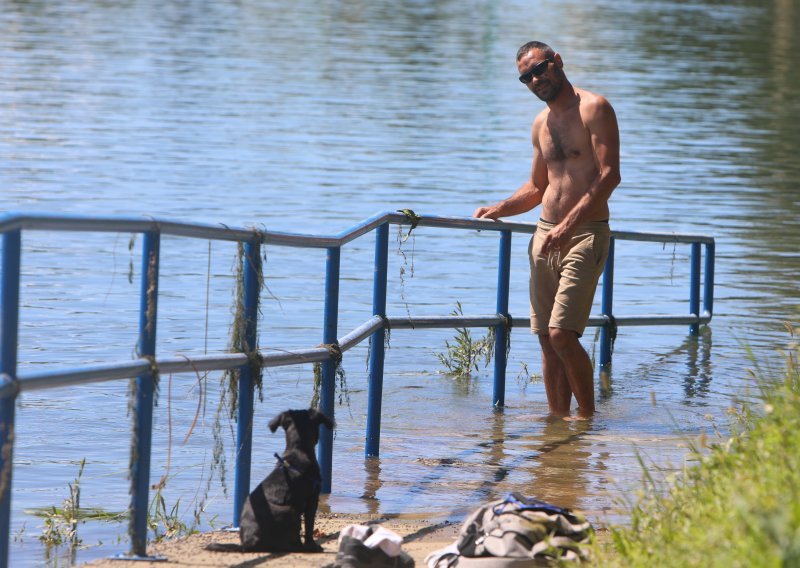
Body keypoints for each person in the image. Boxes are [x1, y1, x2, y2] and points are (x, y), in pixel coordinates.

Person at [473, 41, 621, 420]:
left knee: (561, 335)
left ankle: (586, 422)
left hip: (585, 233)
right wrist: (500, 208)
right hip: (545, 234)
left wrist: (568, 225)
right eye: (526, 77)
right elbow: (538, 188)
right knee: (544, 339)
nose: (535, 80)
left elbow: (609, 176)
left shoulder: (594, 108)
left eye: (539, 69)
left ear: (557, 62)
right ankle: (558, 427)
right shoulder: (541, 123)